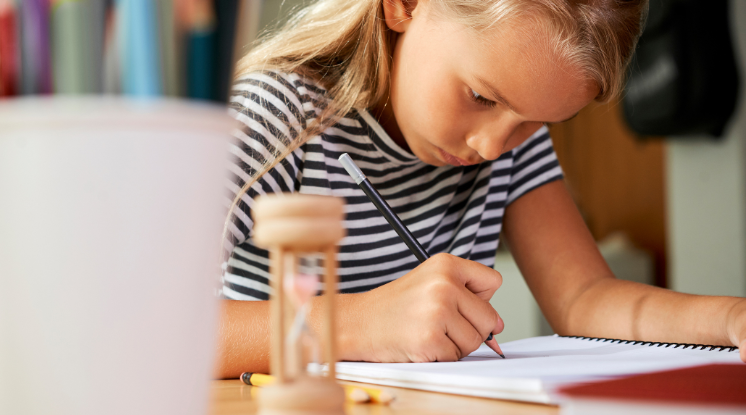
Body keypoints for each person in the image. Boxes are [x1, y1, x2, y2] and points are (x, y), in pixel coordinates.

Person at [216, 0, 746, 378]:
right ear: (404, 5)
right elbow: (142, 321)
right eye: (480, 96)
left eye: (535, 123)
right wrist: (361, 323)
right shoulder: (279, 118)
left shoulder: (513, 137)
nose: (494, 147)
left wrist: (731, 320)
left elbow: (585, 298)